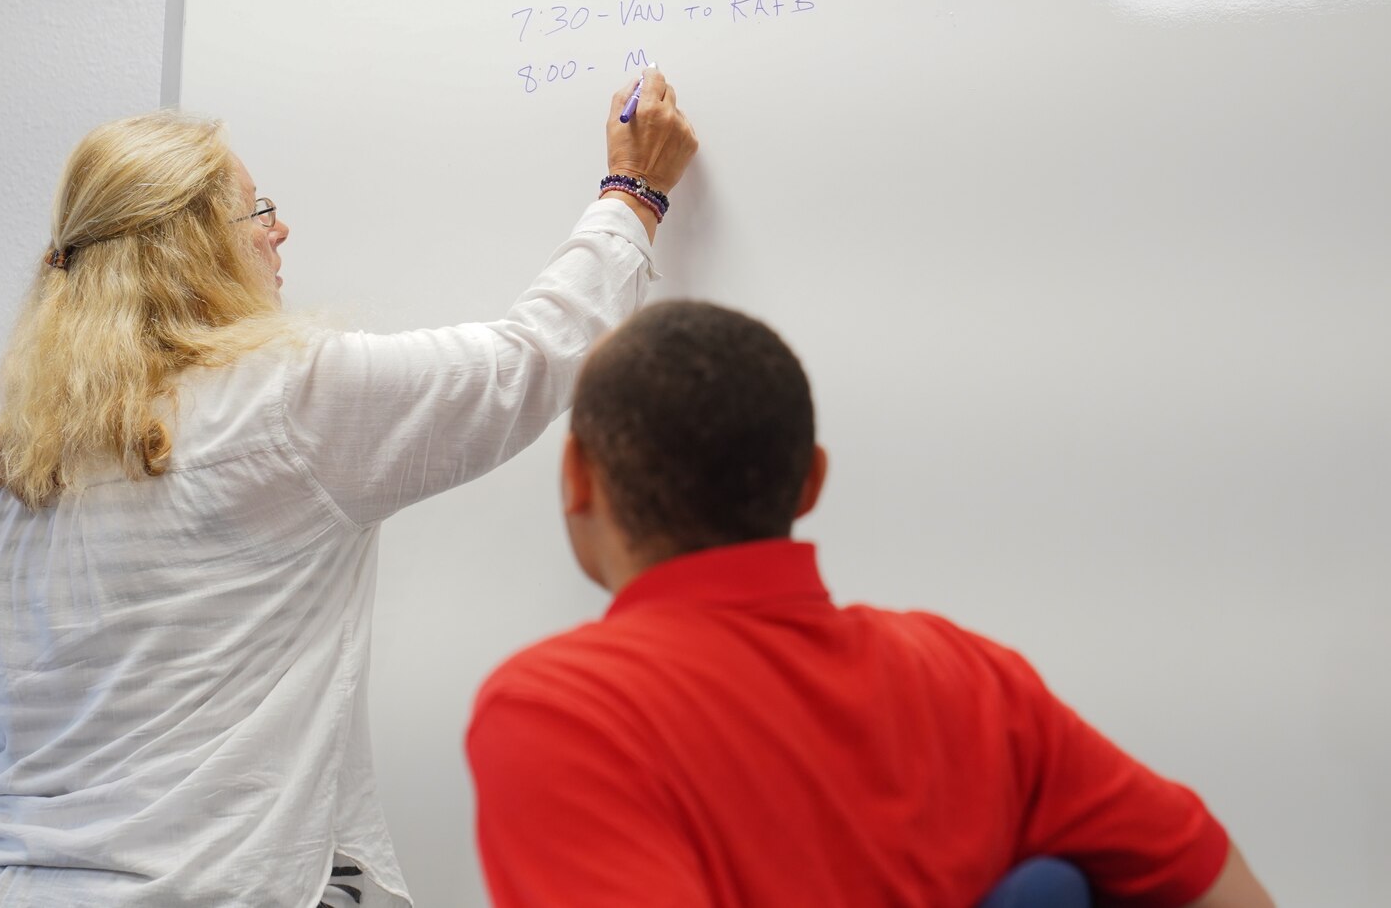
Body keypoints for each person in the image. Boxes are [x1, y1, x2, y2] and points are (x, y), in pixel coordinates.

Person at [0, 71, 698, 908]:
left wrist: (74, 777)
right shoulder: (291, 401)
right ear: (198, 245)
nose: (278, 230)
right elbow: (530, 361)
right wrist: (632, 197)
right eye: (256, 211)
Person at [467, 301, 1276, 908]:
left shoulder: (562, 710)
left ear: (577, 476)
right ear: (812, 480)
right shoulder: (973, 680)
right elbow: (1228, 887)